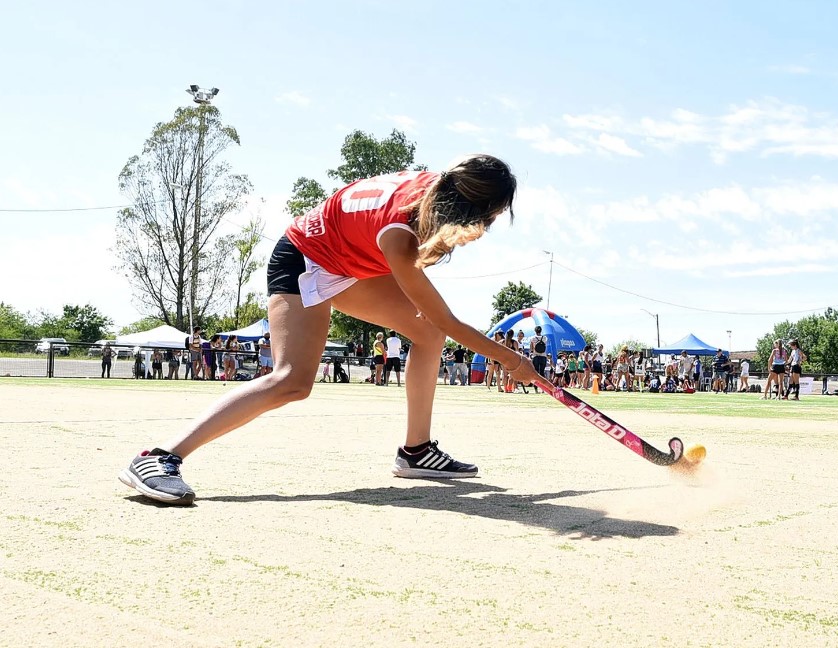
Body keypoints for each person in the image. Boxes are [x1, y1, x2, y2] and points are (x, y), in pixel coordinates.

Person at [118, 154, 537, 505]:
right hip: (305, 258)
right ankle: (159, 457)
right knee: (292, 381)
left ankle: (417, 451)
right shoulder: (401, 233)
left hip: (347, 260)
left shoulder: (437, 188)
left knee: (427, 334)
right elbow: (445, 316)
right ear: (465, 211)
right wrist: (512, 360)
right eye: (489, 221)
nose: (483, 233)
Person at [528, 325, 549, 391]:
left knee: (536, 372)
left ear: (535, 331)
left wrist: (530, 354)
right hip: (543, 356)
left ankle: (536, 387)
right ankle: (543, 388)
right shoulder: (545, 338)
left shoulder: (532, 338)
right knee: (542, 372)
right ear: (541, 331)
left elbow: (531, 348)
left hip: (535, 356)